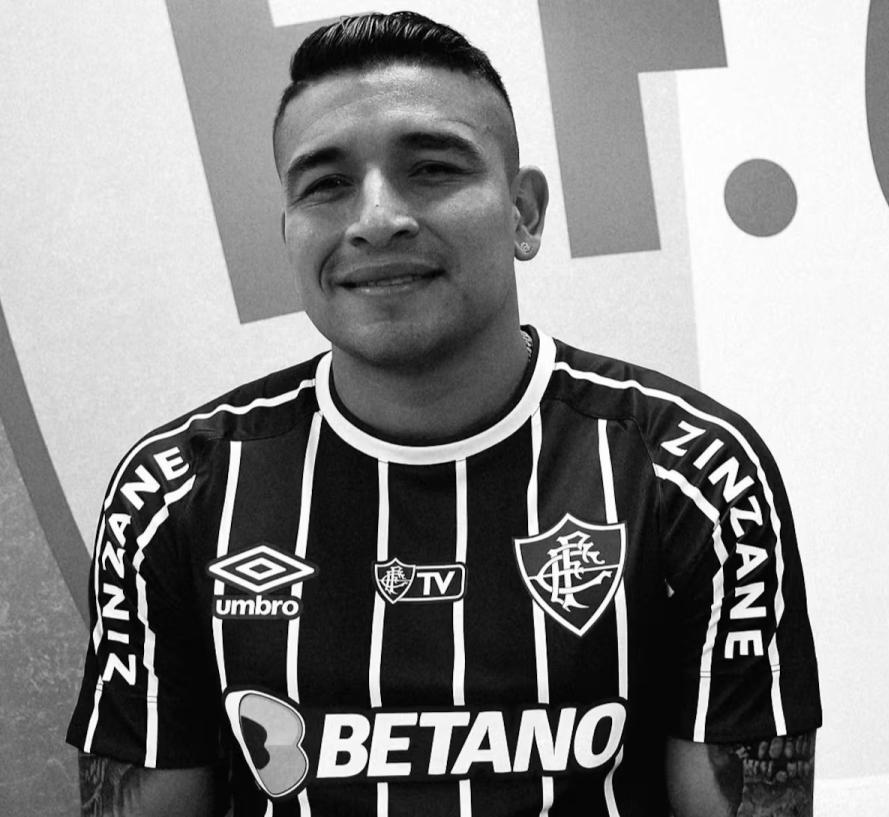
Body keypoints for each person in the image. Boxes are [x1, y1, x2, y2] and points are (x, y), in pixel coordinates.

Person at [66, 11, 821, 816]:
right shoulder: (174, 491)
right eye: (326, 185)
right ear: (288, 234)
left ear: (524, 213)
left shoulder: (698, 475)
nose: (375, 219)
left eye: (430, 168)